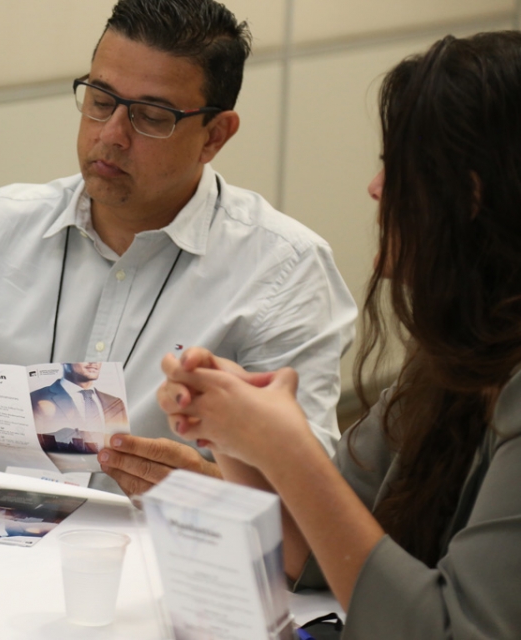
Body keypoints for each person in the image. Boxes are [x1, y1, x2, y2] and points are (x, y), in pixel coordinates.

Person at [0, 0, 356, 495]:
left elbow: (310, 495)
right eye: (100, 101)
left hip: (166, 555)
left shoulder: (285, 270)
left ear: (215, 135)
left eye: (151, 117)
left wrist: (205, 486)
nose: (112, 135)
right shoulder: (3, 225)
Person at [158, 31, 521, 637]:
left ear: (472, 194)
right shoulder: (456, 353)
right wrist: (231, 430)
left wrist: (288, 450)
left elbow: (453, 630)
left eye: (398, 167)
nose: (376, 188)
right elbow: (321, 553)